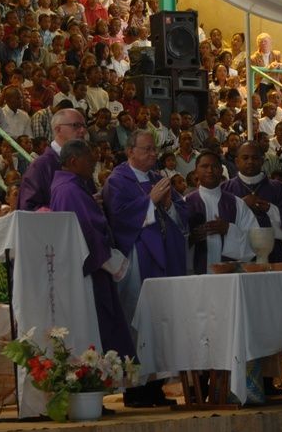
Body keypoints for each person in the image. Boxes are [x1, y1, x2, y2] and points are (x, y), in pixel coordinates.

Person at [102, 130, 187, 407]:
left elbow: (180, 214)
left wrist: (168, 203)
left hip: (163, 260)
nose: (153, 154)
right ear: (130, 152)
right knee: (138, 323)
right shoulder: (118, 180)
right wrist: (149, 201)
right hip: (138, 260)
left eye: (154, 150)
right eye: (147, 149)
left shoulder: (155, 178)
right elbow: (119, 217)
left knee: (160, 322)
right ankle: (135, 391)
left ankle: (155, 387)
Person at [50, 140, 135, 358]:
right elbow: (89, 232)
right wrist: (114, 262)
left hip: (89, 268)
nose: (94, 163)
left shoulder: (71, 187)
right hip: (93, 270)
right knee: (104, 326)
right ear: (73, 161)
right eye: (89, 160)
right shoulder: (70, 190)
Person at [222, 141, 282, 262]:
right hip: (238, 256)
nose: (250, 161)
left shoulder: (279, 188)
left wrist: (270, 209)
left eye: (255, 158)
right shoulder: (225, 190)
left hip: (274, 255)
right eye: (245, 158)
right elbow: (220, 224)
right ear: (237, 162)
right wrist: (241, 206)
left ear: (262, 160)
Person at [187, 150, 258, 274]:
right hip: (195, 277)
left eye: (214, 166)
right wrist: (190, 239)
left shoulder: (237, 204)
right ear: (195, 172)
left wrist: (229, 230)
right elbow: (172, 242)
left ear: (221, 170)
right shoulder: (185, 203)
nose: (210, 170)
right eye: (204, 166)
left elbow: (255, 241)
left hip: (230, 277)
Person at [17, 107, 87, 211]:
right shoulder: (41, 165)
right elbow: (27, 208)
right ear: (58, 129)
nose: (83, 131)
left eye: (84, 126)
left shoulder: (83, 161)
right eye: (76, 125)